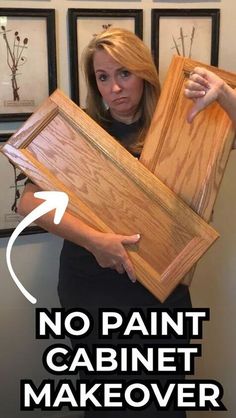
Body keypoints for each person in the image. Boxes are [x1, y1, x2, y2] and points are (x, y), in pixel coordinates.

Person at [18, 28, 191, 417]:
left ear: (144, 73)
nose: (115, 88)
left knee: (166, 402)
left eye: (124, 73)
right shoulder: (78, 131)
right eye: (102, 77)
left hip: (161, 294)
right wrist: (96, 240)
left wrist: (225, 93)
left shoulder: (175, 131)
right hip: (93, 294)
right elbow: (28, 200)